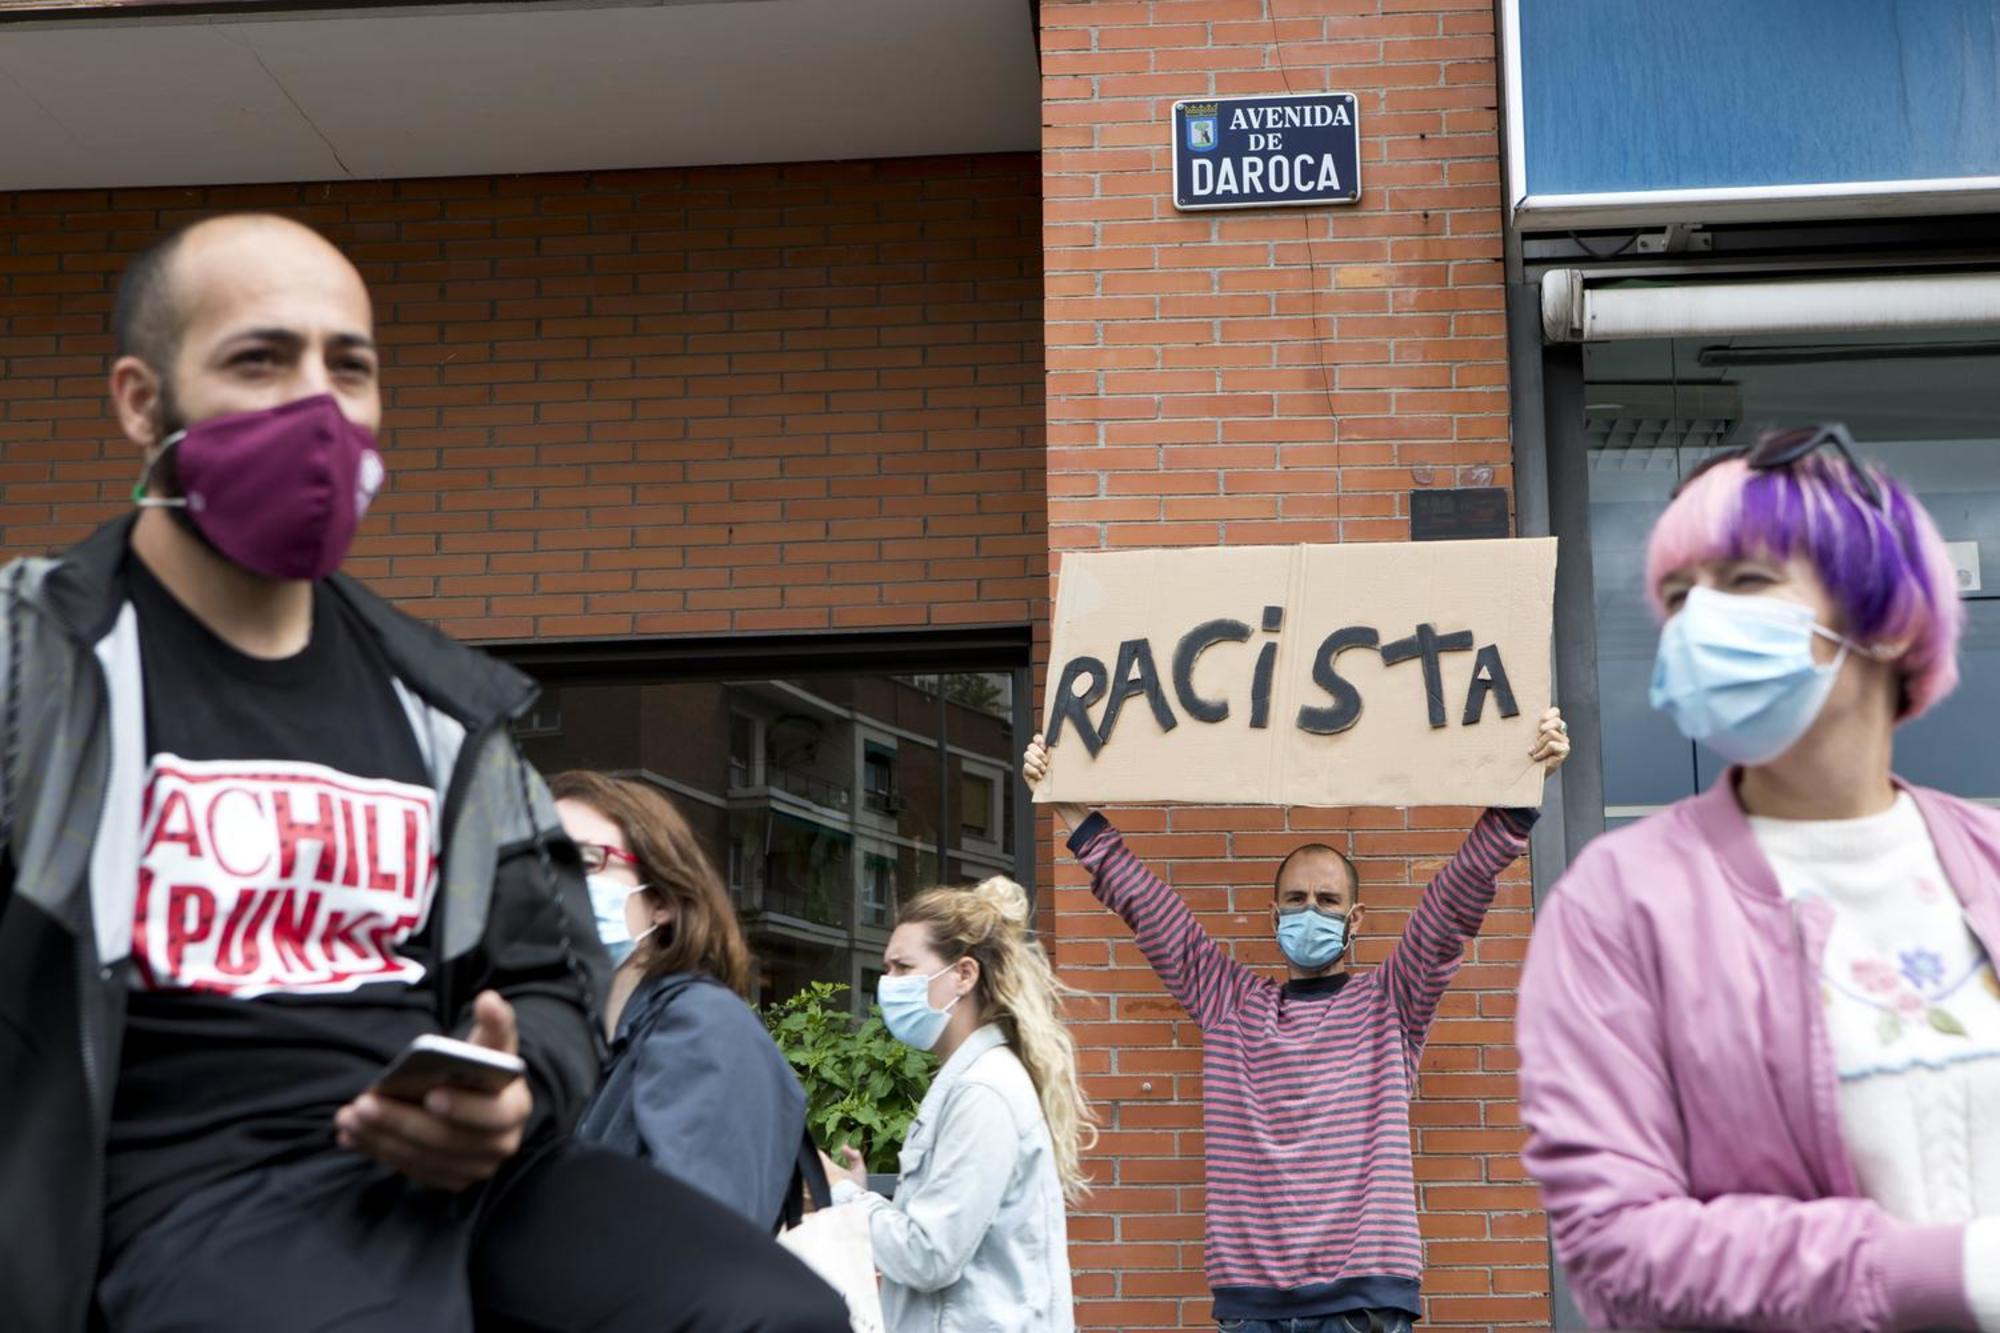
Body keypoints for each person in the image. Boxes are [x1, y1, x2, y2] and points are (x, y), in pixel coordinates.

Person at [0, 213, 845, 1333]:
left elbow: (547, 980)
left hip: (461, 1189)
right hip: (171, 1202)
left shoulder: (446, 706)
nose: (317, 406)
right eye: (260, 359)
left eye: (348, 366)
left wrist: (511, 1094)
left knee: (767, 1312)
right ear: (140, 402)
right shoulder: (39, 666)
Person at [1517, 426, 2000, 1332]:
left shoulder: (1987, 856)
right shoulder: (1617, 902)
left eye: (1742, 582)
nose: (1698, 620)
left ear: (1886, 617)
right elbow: (1616, 1246)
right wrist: (1953, 1271)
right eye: (1676, 597)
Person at [1025, 708, 1569, 1333]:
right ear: (1273, 913)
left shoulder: (1391, 1002)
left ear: (1354, 918)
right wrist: (1067, 805)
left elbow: (1456, 899)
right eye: (1296, 900)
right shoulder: (1229, 1003)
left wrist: (1526, 789)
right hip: (1253, 1303)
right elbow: (1148, 907)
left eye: (1327, 901)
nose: (1310, 911)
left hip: (1360, 1300)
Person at [818, 876, 1091, 1333]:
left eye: (903, 968)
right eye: (887, 969)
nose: (888, 984)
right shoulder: (973, 1080)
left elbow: (929, 1256)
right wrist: (864, 1196)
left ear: (964, 974)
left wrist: (842, 1197)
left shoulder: (982, 1093)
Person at [553, 770, 810, 1230]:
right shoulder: (599, 1043)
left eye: (585, 860)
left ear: (662, 899)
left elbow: (697, 1250)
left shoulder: (703, 1027)